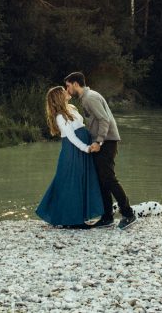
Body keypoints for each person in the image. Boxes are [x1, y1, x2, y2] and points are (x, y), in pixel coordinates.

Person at [64, 71, 136, 230]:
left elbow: (105, 120)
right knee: (102, 180)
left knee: (109, 178)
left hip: (107, 142)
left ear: (76, 84)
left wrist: (99, 141)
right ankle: (107, 217)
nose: (67, 90)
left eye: (68, 86)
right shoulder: (85, 98)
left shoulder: (90, 98)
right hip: (103, 142)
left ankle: (129, 213)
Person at [35, 86, 105, 227]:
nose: (68, 91)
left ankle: (76, 217)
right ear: (59, 97)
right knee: (72, 182)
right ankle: (72, 220)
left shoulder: (71, 108)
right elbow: (71, 137)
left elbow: (82, 125)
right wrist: (85, 148)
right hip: (73, 151)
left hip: (81, 149)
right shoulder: (60, 116)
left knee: (79, 180)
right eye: (64, 91)